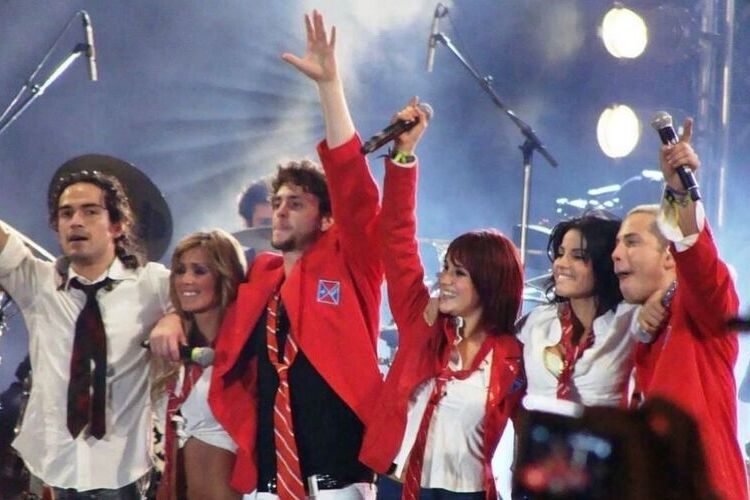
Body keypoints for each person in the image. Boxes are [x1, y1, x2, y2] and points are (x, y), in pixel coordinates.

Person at [151, 10, 383, 498]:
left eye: (295, 203)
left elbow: (354, 187)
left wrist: (329, 87)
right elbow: (202, 295)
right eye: (277, 202)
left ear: (328, 219)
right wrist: (172, 315)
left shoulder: (352, 267)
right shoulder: (260, 280)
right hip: (269, 482)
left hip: (338, 481)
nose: (279, 212)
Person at [359, 100, 526, 500]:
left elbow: (529, 435)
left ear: (490, 283)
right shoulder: (423, 321)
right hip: (397, 486)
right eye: (446, 268)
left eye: (458, 273)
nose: (444, 280)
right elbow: (397, 238)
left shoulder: (512, 356)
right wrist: (403, 156)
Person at [0, 167, 172, 497]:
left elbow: (207, 296)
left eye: (90, 211)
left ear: (117, 225)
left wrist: (173, 318)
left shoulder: (153, 284)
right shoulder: (37, 282)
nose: (76, 221)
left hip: (122, 473)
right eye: (66, 214)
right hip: (50, 468)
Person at [612, 118, 748, 500]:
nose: (616, 253)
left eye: (632, 242)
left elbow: (698, 259)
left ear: (669, 256)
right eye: (618, 243)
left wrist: (678, 190)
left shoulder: (705, 311)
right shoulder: (635, 330)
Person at [151, 230, 246, 499]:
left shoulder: (246, 350)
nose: (186, 280)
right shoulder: (170, 345)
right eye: (180, 270)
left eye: (199, 271)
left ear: (225, 276)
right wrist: (170, 319)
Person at [517, 213, 641, 407]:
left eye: (578, 256)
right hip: (539, 426)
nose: (561, 264)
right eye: (560, 254)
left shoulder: (630, 319)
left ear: (605, 263)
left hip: (604, 426)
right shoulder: (536, 321)